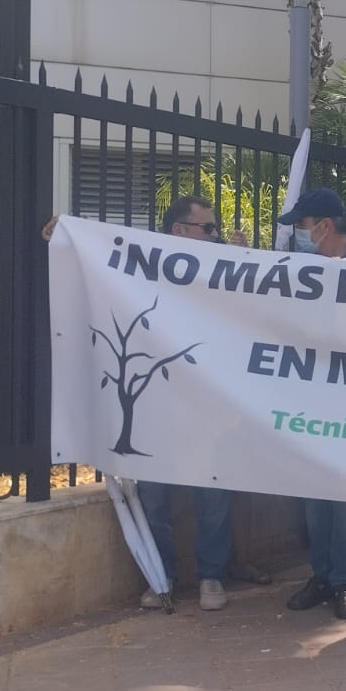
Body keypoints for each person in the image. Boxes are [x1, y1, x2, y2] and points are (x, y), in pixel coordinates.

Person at [129, 194, 237, 612]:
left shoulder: (227, 269)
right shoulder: (144, 265)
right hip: (155, 407)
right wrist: (59, 233)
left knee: (213, 497)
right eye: (208, 228)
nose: (216, 235)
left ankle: (212, 576)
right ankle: (162, 576)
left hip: (207, 408)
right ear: (179, 231)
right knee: (153, 499)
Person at [278, 188, 346, 621]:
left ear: (323, 226)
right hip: (313, 400)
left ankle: (344, 581)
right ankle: (321, 576)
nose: (298, 235)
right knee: (315, 498)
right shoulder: (300, 266)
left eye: (302, 226)